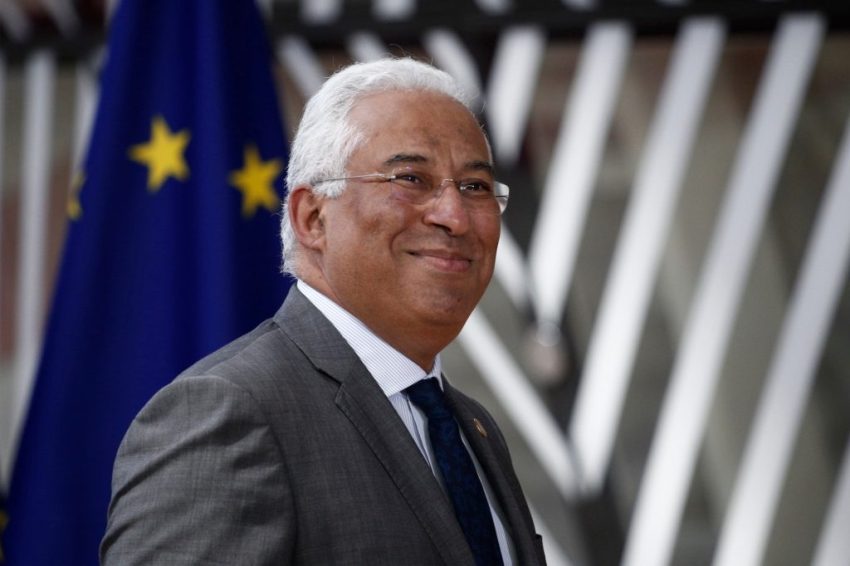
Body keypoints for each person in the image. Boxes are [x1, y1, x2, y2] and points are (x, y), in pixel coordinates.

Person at [101, 57, 546, 565]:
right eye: (410, 178)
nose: (455, 216)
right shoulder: (227, 412)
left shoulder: (470, 426)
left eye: (475, 187)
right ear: (313, 217)